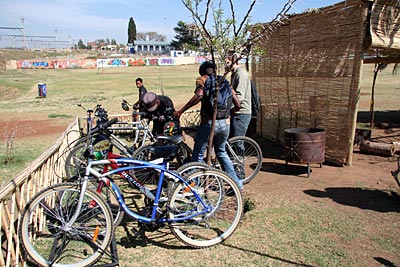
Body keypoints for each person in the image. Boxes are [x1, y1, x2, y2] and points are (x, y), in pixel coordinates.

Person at [173, 61, 244, 191]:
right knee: (221, 153)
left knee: (198, 156)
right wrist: (228, 114)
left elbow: (199, 95)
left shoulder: (202, 80)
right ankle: (237, 184)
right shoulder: (224, 81)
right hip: (225, 123)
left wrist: (181, 111)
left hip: (209, 123)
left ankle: (195, 186)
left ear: (202, 71)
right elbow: (238, 105)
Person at [225, 51, 252, 138]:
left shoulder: (241, 74)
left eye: (228, 63)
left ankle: (241, 152)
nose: (226, 65)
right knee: (231, 140)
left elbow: (239, 96)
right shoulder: (234, 74)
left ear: (234, 61)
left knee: (238, 141)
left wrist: (227, 108)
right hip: (235, 112)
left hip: (241, 113)